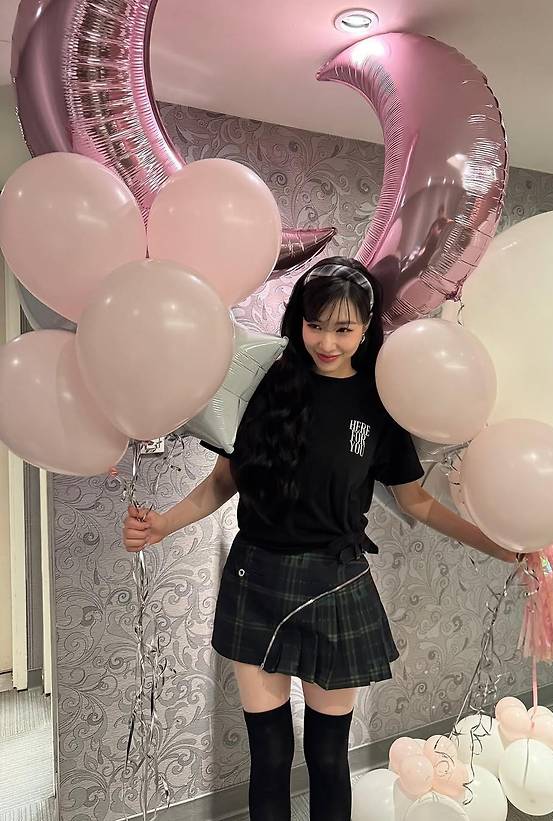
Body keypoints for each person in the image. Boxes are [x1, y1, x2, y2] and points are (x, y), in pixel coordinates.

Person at [122, 257, 516, 821]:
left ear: (367, 327)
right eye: (315, 325)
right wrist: (161, 524)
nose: (327, 342)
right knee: (269, 755)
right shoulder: (265, 384)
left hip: (337, 582)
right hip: (256, 577)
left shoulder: (381, 401)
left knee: (329, 756)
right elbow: (223, 482)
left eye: (343, 328)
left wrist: (498, 545)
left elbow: (417, 501)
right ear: (298, 321)